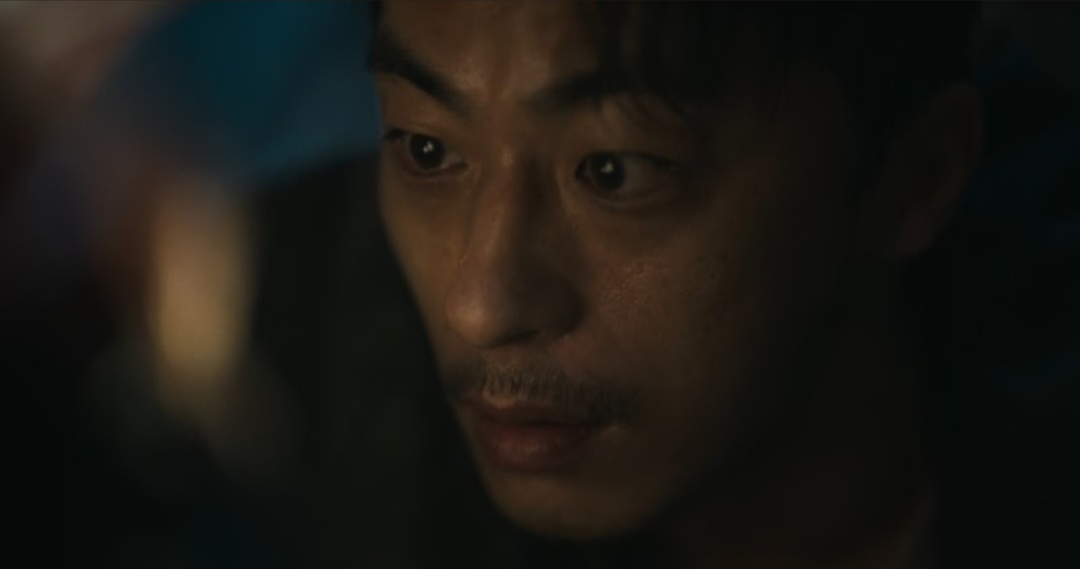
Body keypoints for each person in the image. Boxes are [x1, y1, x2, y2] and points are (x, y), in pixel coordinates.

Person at [363, 2, 1075, 568]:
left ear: (918, 176)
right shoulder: (323, 428)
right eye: (428, 148)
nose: (479, 307)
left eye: (615, 171)